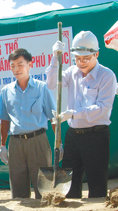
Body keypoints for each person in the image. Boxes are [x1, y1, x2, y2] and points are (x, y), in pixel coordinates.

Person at [47, 31, 117, 198]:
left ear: (97, 54)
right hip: (73, 136)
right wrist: (55, 58)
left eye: (86, 58)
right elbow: (51, 83)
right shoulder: (72, 72)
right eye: (78, 58)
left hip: (96, 135)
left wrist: (73, 114)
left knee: (97, 183)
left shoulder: (107, 76)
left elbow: (103, 108)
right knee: (70, 184)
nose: (81, 62)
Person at [0, 48, 57, 199]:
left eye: (20, 64)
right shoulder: (6, 91)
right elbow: (4, 120)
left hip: (38, 142)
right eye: (12, 66)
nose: (16, 69)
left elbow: (53, 118)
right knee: (18, 193)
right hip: (16, 144)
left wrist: (59, 143)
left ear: (30, 64)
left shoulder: (41, 88)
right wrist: (2, 146)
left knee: (44, 190)